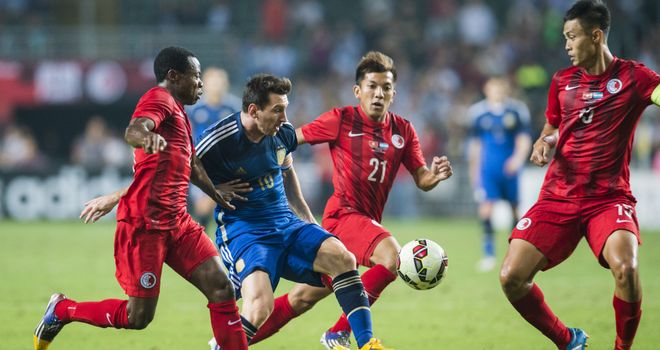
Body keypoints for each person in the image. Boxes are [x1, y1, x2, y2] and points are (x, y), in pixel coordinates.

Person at [82, 73, 390, 350]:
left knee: (343, 257)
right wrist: (117, 196)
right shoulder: (219, 141)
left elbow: (286, 173)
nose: (285, 118)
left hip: (284, 222)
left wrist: (309, 221)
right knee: (259, 305)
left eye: (285, 108)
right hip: (245, 230)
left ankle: (365, 345)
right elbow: (170, 171)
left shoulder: (281, 134)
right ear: (254, 111)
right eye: (278, 110)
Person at [33, 46, 249, 350]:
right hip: (146, 226)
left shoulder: (180, 113)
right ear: (174, 76)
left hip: (178, 222)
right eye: (196, 77)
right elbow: (134, 129)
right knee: (138, 316)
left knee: (222, 288)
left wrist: (215, 193)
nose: (200, 84)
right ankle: (62, 310)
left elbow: (192, 165)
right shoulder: (158, 98)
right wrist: (146, 136)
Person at [246, 51, 453, 349]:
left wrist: (435, 174)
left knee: (300, 299)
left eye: (385, 87)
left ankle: (228, 343)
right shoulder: (341, 119)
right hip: (343, 217)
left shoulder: (403, 131)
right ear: (358, 91)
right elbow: (291, 138)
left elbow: (422, 179)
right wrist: (258, 159)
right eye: (371, 86)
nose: (378, 93)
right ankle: (343, 334)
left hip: (365, 223)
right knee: (393, 258)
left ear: (394, 93)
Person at [498, 1, 660, 349]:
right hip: (558, 195)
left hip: (608, 198)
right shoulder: (562, 81)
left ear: (596, 35)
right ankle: (567, 340)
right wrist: (544, 142)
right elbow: (553, 127)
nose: (567, 45)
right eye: (565, 38)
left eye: (572, 37)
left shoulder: (634, 77)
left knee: (627, 269)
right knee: (511, 277)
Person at [467, 76, 532, 272]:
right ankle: (488, 255)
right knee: (486, 209)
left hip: (509, 170)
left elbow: (524, 138)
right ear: (487, 89)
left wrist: (518, 159)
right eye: (493, 87)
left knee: (514, 210)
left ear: (506, 89)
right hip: (488, 170)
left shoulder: (517, 111)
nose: (497, 91)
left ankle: (515, 255)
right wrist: (474, 172)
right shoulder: (478, 113)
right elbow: (475, 146)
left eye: (500, 87)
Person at [187, 67, 241, 227]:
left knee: (228, 210)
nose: (216, 85)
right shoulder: (194, 110)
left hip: (228, 166)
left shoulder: (234, 109)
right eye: (213, 82)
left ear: (226, 84)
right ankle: (202, 247)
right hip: (201, 166)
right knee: (201, 211)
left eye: (220, 81)